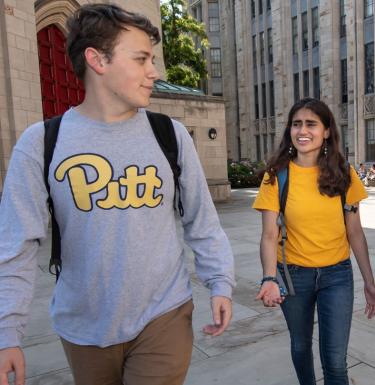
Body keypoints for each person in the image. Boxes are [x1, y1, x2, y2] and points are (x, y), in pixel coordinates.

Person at [0, 4, 235, 385]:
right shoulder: (41, 142)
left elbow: (202, 221)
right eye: (141, 59)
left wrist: (220, 282)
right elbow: (15, 243)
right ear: (97, 60)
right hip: (83, 327)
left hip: (165, 314)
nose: (154, 72)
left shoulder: (169, 136)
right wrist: (7, 332)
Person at [253, 98, 375, 385]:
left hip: (337, 276)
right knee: (300, 345)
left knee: (334, 361)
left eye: (311, 124)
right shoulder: (276, 176)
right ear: (290, 131)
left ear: (327, 131)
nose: (302, 130)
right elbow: (269, 235)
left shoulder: (344, 174)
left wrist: (369, 281)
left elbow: (355, 232)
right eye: (297, 124)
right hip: (294, 277)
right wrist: (269, 277)